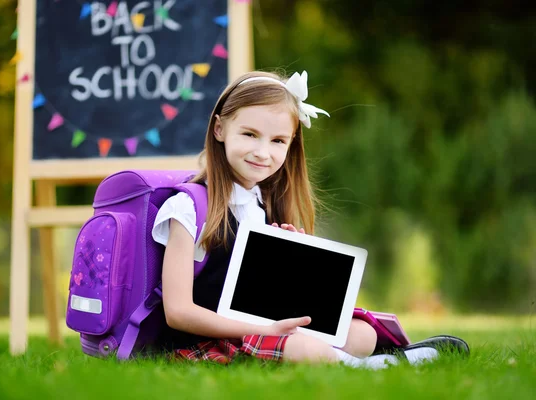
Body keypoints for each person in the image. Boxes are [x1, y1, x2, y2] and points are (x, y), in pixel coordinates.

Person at [151, 70, 468, 368]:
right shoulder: (189, 208)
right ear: (219, 129)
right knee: (305, 347)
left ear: (291, 144)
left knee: (362, 332)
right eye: (249, 134)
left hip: (265, 329)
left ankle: (373, 359)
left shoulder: (262, 206)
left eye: (278, 141)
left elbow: (261, 298)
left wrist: (290, 266)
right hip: (207, 339)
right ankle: (374, 367)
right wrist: (267, 329)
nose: (263, 152)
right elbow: (178, 313)